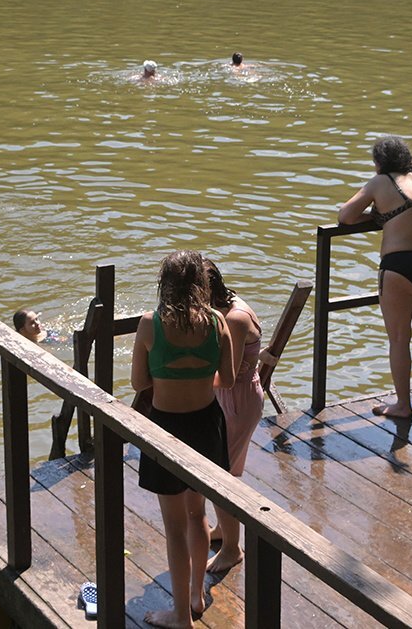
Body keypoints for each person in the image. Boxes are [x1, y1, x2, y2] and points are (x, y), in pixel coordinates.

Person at [131, 250, 236, 628]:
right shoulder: (217, 322)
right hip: (207, 424)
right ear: (201, 284)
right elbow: (228, 379)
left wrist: (168, 375)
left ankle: (180, 618)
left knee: (174, 526)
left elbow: (139, 383)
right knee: (198, 514)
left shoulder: (150, 324)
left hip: (166, 428)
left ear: (165, 284)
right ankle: (195, 596)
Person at [338, 136, 412, 419]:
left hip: (401, 266)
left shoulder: (379, 182)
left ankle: (402, 405)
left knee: (399, 338)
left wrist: (378, 217)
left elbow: (346, 216)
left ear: (378, 163)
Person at [201, 258, 263, 574]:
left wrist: (184, 377)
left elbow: (226, 376)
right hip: (228, 396)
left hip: (237, 399)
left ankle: (231, 549)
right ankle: (224, 530)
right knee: (222, 468)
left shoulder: (235, 318)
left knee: (220, 474)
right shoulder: (221, 308)